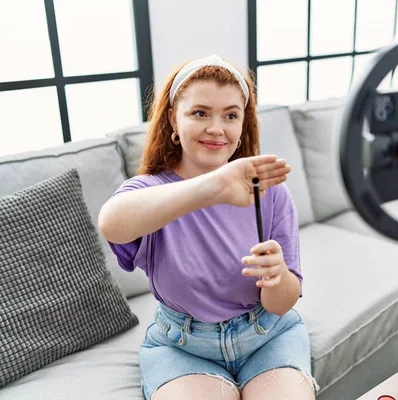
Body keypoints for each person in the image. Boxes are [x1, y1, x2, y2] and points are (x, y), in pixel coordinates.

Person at [98, 54, 317, 400]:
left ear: (243, 123)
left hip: (268, 335)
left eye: (231, 115)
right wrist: (214, 185)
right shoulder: (153, 192)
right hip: (182, 348)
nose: (217, 128)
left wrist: (277, 276)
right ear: (173, 118)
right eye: (200, 113)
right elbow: (112, 222)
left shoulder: (270, 191)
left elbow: (281, 303)